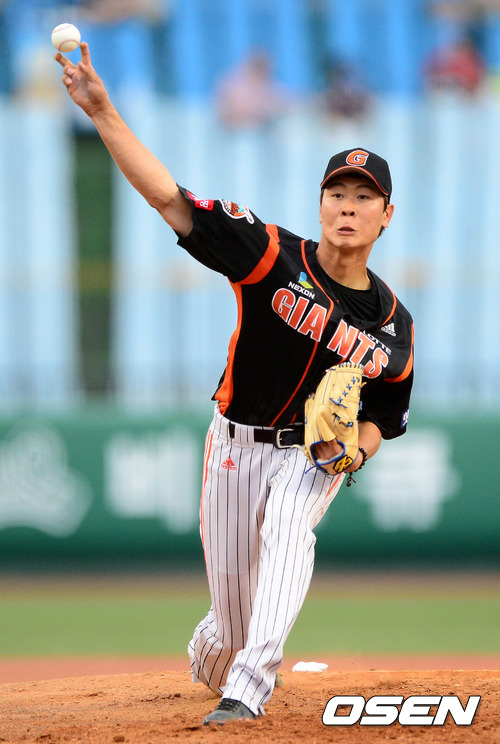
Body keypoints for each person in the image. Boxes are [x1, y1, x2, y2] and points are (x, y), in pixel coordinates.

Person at [55, 44, 414, 726]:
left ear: (385, 215)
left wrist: (355, 451)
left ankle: (248, 689)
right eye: (337, 193)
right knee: (230, 625)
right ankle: (220, 656)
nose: (348, 206)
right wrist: (101, 112)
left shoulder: (394, 324)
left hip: (309, 456)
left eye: (364, 197)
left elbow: (388, 411)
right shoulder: (271, 254)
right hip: (234, 446)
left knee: (290, 530)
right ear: (320, 204)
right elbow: (169, 198)